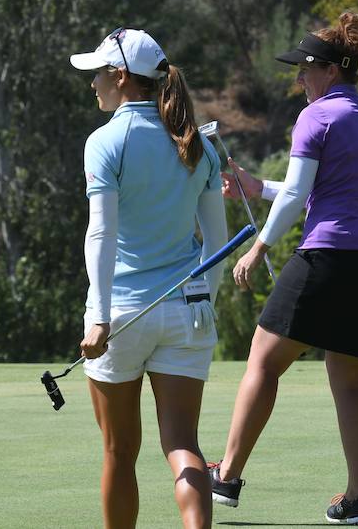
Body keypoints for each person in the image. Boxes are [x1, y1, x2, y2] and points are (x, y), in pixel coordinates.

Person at [207, 12, 358, 525]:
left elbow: (300, 194)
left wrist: (260, 247)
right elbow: (322, 191)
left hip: (329, 258)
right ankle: (356, 499)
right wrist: (259, 188)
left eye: (306, 70)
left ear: (331, 71)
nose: (299, 80)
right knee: (348, 382)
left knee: (264, 361)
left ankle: (226, 475)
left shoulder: (316, 117)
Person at [70, 27, 228, 529]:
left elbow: (102, 233)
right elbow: (217, 248)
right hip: (188, 313)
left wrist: (97, 316)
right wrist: (205, 301)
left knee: (120, 452)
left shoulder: (105, 142)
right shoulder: (197, 144)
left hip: (121, 317)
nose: (93, 83)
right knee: (184, 446)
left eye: (98, 73)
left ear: (120, 77)